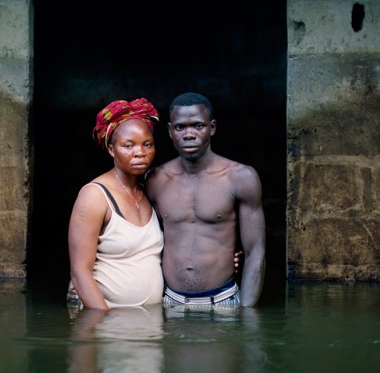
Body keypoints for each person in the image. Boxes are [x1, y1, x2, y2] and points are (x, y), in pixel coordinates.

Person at [145, 92, 266, 308]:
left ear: (212, 128)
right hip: (170, 302)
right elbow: (136, 243)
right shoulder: (155, 180)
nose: (189, 134)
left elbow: (255, 250)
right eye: (180, 127)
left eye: (198, 126)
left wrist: (247, 315)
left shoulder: (240, 178)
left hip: (223, 301)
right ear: (170, 131)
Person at [68, 98, 164, 309]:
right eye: (128, 146)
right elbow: (80, 271)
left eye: (147, 144)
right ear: (111, 149)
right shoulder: (95, 195)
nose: (140, 152)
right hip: (110, 326)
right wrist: (104, 321)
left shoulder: (150, 191)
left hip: (150, 327)